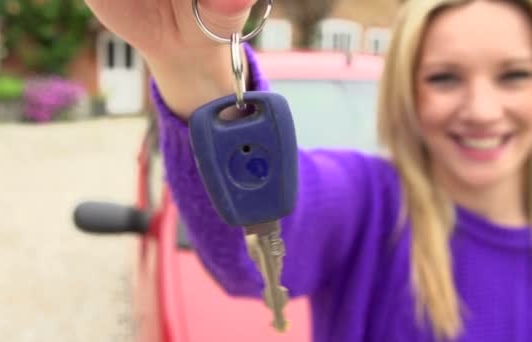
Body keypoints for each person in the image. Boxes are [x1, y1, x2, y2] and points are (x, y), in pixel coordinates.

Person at [84, 0, 532, 340]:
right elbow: (260, 244)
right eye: (444, 78)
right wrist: (193, 61)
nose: (482, 110)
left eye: (514, 75)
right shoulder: (370, 202)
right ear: (407, 93)